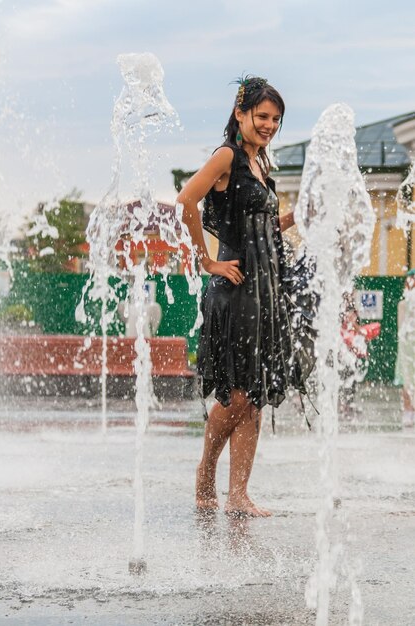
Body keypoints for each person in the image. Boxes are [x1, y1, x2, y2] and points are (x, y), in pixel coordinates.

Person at [177, 76, 314, 517]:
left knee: (254, 396)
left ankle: (238, 495)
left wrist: (300, 216)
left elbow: (264, 230)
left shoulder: (260, 165)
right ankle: (204, 473)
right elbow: (185, 202)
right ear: (240, 114)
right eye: (262, 116)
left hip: (263, 293)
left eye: (276, 119)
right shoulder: (227, 157)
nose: (269, 124)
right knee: (235, 396)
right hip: (233, 289)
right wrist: (207, 261)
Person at [394, 268, 415, 427]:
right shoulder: (403, 303)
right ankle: (408, 411)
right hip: (407, 345)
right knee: (406, 377)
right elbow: (401, 327)